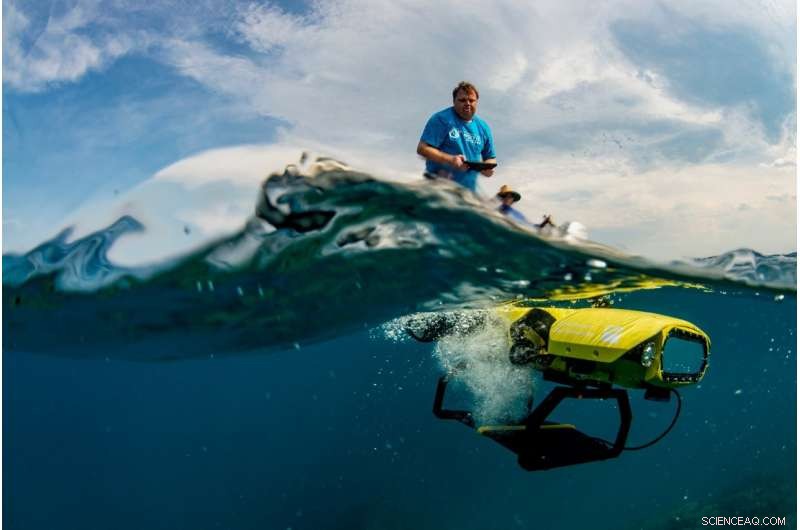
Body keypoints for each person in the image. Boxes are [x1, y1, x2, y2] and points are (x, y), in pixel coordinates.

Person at [417, 81, 497, 192]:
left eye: (471, 100)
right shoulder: (441, 119)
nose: (468, 103)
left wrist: (488, 167)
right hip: (437, 188)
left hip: (467, 194)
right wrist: (450, 160)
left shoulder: (484, 128)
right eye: (462, 100)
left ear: (476, 102)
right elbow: (422, 148)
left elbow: (491, 158)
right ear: (454, 101)